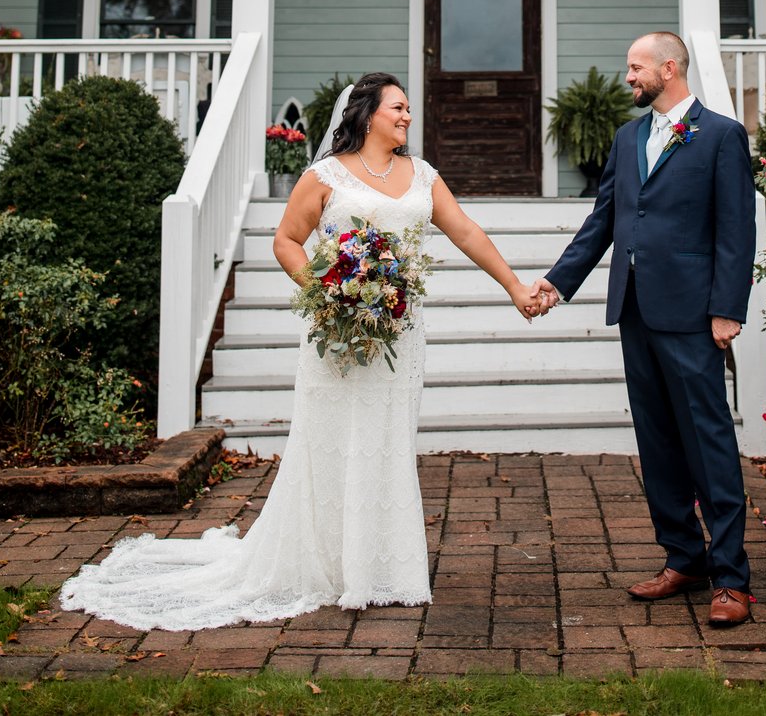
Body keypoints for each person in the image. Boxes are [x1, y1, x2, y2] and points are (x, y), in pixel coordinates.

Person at [60, 72, 540, 629]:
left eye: (408, 109)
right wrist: (325, 292)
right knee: (332, 441)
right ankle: (327, 565)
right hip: (338, 335)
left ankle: (383, 567)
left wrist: (515, 287)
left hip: (399, 337)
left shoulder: (422, 176)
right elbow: (286, 239)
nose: (407, 116)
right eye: (398, 108)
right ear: (366, 115)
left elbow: (466, 233)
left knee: (387, 437)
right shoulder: (325, 175)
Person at [530, 32, 757, 627]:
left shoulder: (722, 137)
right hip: (634, 309)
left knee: (709, 443)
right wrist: (557, 283)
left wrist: (727, 307)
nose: (628, 78)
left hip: (693, 315)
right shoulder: (628, 137)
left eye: (636, 68)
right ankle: (684, 557)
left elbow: (736, 229)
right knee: (657, 442)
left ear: (670, 67)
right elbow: (603, 219)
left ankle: (732, 578)